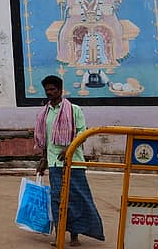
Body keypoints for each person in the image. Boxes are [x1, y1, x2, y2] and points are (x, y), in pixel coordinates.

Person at [35, 75, 105, 246]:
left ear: (60, 90)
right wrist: (43, 159)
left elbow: (82, 132)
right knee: (57, 199)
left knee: (76, 198)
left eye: (53, 89)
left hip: (74, 163)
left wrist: (69, 148)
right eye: (47, 90)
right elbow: (45, 139)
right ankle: (59, 236)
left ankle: (75, 236)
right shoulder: (44, 113)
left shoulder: (74, 110)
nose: (50, 93)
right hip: (54, 164)